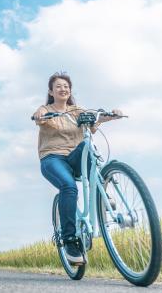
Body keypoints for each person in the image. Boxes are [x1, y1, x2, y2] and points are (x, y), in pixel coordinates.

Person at [32, 72, 122, 265]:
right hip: (52, 158)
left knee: (87, 146)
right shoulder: (45, 109)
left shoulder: (77, 110)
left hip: (74, 158)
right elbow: (39, 116)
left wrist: (111, 115)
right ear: (51, 91)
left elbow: (93, 119)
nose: (63, 89)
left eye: (66, 86)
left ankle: (103, 191)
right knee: (69, 186)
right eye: (58, 86)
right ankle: (70, 241)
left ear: (70, 90)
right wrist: (39, 114)